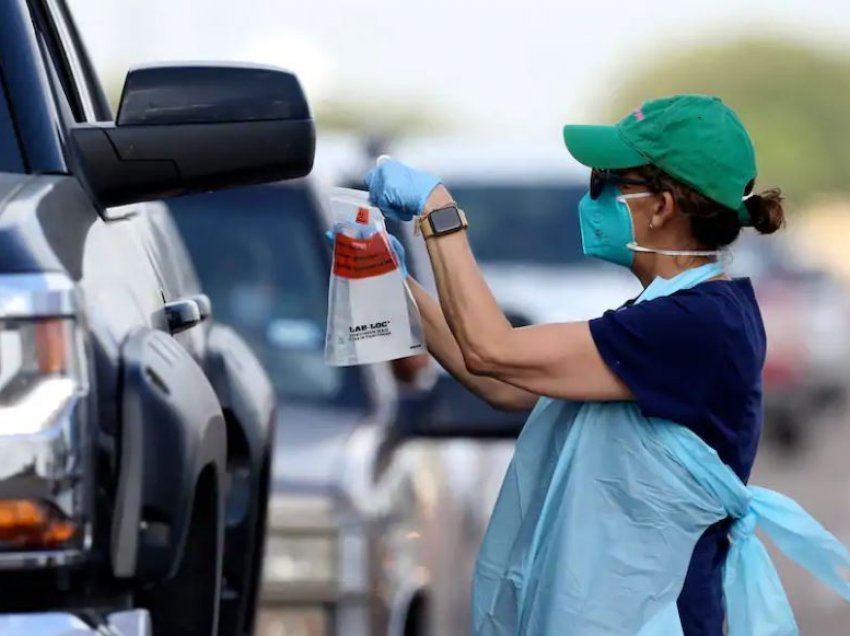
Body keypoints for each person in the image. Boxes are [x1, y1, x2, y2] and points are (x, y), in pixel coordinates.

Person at [352, 94, 850, 634]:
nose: (593, 199)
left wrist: (438, 211)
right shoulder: (674, 316)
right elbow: (505, 383)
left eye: (605, 183)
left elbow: (492, 349)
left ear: (662, 207)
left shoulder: (697, 325)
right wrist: (395, 283)